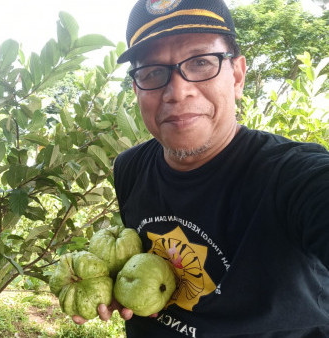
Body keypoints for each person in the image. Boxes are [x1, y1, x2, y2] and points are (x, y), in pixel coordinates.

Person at [72, 0, 329, 336]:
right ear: (136, 89)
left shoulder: (293, 176)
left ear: (237, 75)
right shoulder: (130, 167)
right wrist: (118, 285)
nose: (177, 91)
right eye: (152, 72)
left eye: (201, 62)